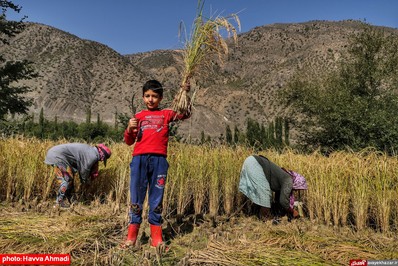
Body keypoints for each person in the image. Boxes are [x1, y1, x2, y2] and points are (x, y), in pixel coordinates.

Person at [122, 79, 191, 249]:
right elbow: (129, 141)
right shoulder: (138, 116)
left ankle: (157, 240)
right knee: (136, 199)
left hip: (159, 161)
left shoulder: (166, 114)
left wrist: (185, 93)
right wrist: (129, 129)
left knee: (156, 199)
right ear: (143, 97)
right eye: (147, 96)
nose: (150, 99)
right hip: (139, 160)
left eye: (154, 96)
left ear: (160, 98)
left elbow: (186, 113)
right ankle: (131, 238)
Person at [239, 154, 308, 221]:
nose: (296, 191)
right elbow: (283, 201)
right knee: (265, 193)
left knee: (263, 194)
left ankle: (261, 215)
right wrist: (293, 212)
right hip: (254, 163)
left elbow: (279, 201)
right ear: (297, 183)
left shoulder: (285, 179)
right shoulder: (289, 180)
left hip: (251, 161)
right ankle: (266, 218)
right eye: (298, 189)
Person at [44, 143, 112, 208]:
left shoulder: (91, 150)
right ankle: (58, 203)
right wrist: (84, 182)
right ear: (102, 155)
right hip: (57, 156)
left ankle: (71, 200)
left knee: (70, 179)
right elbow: (84, 171)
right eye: (103, 159)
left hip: (56, 154)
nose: (102, 160)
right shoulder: (92, 156)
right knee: (66, 180)